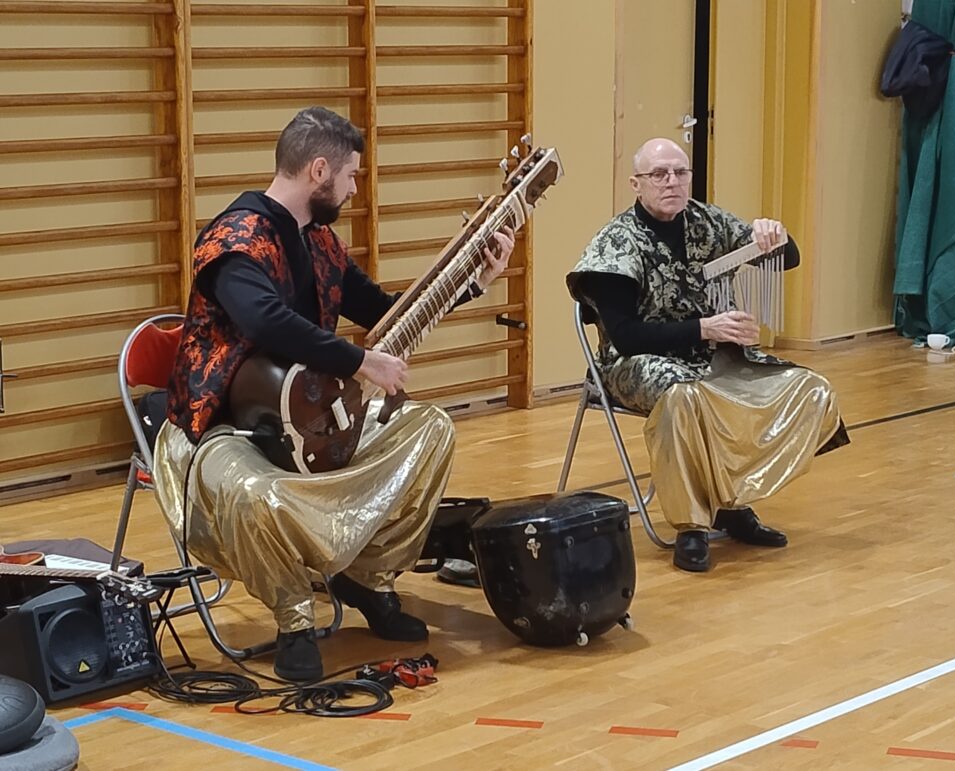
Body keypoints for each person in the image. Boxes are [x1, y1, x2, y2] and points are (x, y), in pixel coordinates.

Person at [152, 106, 514, 681]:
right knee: (253, 492)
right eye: (350, 176)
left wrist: (471, 281)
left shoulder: (318, 242)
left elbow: (381, 309)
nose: (352, 188)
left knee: (429, 429)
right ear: (318, 170)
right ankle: (294, 617)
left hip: (311, 417)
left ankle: (364, 575)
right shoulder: (234, 238)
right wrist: (362, 360)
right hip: (226, 425)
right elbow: (265, 320)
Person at [567, 138, 848, 573]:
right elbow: (625, 337)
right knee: (686, 397)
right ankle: (692, 526)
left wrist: (774, 234)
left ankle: (732, 500)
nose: (672, 182)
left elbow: (786, 258)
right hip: (633, 363)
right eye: (659, 174)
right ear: (635, 183)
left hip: (708, 354)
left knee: (807, 388)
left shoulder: (707, 220)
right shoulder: (615, 245)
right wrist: (705, 327)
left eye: (680, 172)